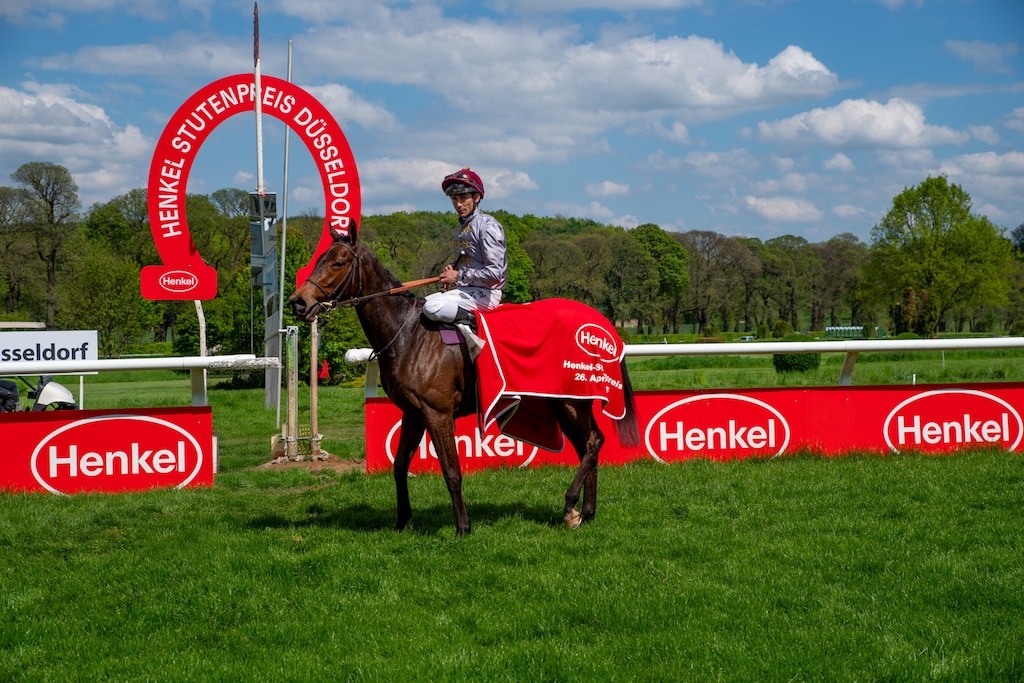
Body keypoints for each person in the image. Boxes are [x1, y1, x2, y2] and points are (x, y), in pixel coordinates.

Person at [422, 168, 507, 327]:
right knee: (421, 304)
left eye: (463, 198)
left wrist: (457, 276)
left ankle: (478, 327)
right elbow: (465, 258)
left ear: (477, 197)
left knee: (431, 307)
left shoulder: (488, 227)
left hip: (488, 294)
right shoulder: (461, 227)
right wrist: (452, 267)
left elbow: (495, 273)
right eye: (454, 199)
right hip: (468, 290)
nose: (458, 204)